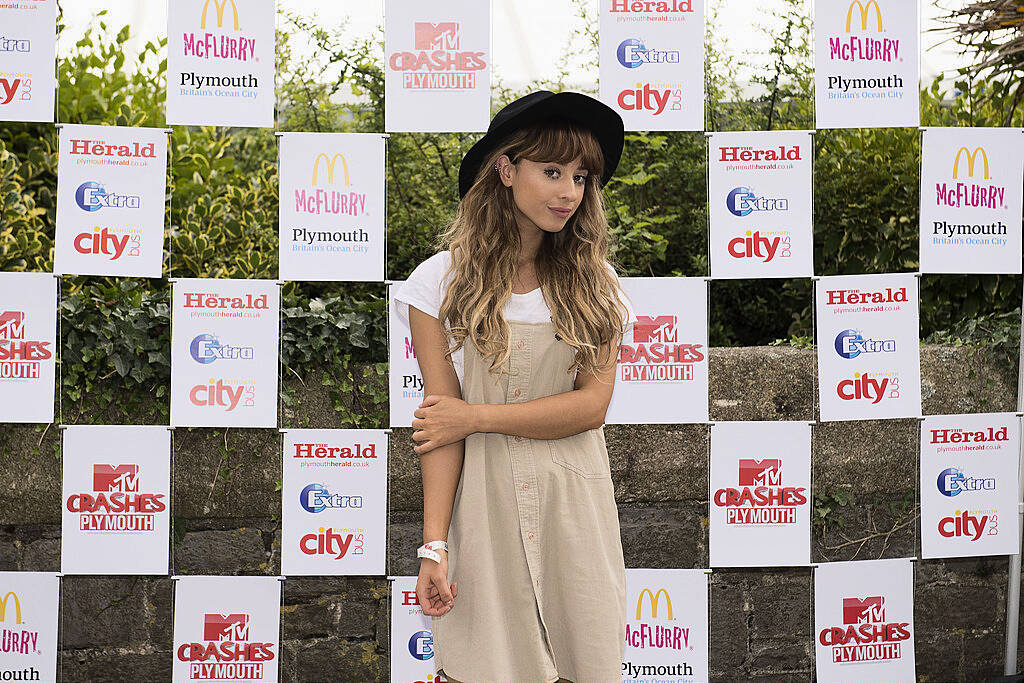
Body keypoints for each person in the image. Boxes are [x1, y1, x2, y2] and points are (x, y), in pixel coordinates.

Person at [392, 90, 636, 683]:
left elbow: (590, 405)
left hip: (574, 506)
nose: (568, 192)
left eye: (581, 176)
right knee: (488, 664)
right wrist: (433, 546)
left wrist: (476, 417)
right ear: (505, 169)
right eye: (551, 171)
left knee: (587, 662)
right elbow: (439, 427)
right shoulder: (439, 281)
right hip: (484, 508)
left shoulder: (596, 282)